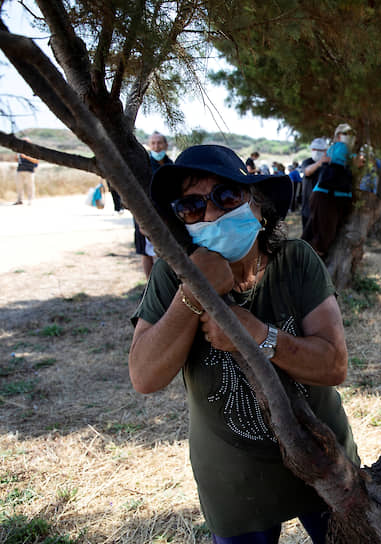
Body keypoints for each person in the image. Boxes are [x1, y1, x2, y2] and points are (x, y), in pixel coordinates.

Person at [129, 144, 358, 544]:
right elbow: (145, 377)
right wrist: (193, 294)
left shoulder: (296, 260)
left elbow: (334, 365)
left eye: (226, 196)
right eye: (192, 207)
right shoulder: (172, 276)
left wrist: (257, 334)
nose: (212, 214)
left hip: (324, 460)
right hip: (235, 484)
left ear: (257, 205)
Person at [303, 125, 355, 257]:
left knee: (317, 232)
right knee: (323, 235)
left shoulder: (335, 150)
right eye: (346, 133)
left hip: (328, 197)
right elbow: (308, 171)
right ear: (338, 135)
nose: (348, 136)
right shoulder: (339, 148)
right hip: (328, 197)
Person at [135, 131, 174, 279]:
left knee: (165, 251)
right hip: (144, 213)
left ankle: (164, 283)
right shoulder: (143, 165)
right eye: (153, 143)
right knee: (146, 251)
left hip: (166, 214)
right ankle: (149, 287)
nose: (156, 146)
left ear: (166, 145)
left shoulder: (171, 165)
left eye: (159, 143)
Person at [300, 138, 329, 231]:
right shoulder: (307, 162)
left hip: (322, 209)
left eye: (320, 150)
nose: (316, 152)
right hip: (307, 209)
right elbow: (307, 171)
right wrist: (320, 163)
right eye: (314, 149)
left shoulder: (328, 165)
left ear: (325, 151)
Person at [14, 139, 39, 206]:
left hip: (29, 171)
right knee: (19, 186)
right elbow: (17, 160)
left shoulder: (33, 151)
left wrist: (26, 157)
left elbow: (36, 161)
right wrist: (16, 156)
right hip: (20, 170)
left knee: (30, 186)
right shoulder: (20, 150)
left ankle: (31, 200)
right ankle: (19, 200)